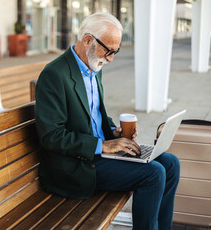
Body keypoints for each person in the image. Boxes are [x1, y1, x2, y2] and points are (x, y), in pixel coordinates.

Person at [35, 12, 180, 230]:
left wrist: (113, 131)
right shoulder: (54, 75)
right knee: (153, 174)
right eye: (108, 50)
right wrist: (102, 145)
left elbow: (95, 114)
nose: (111, 58)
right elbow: (51, 136)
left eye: (115, 51)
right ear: (87, 40)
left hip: (101, 154)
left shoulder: (94, 67)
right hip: (78, 165)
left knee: (170, 163)